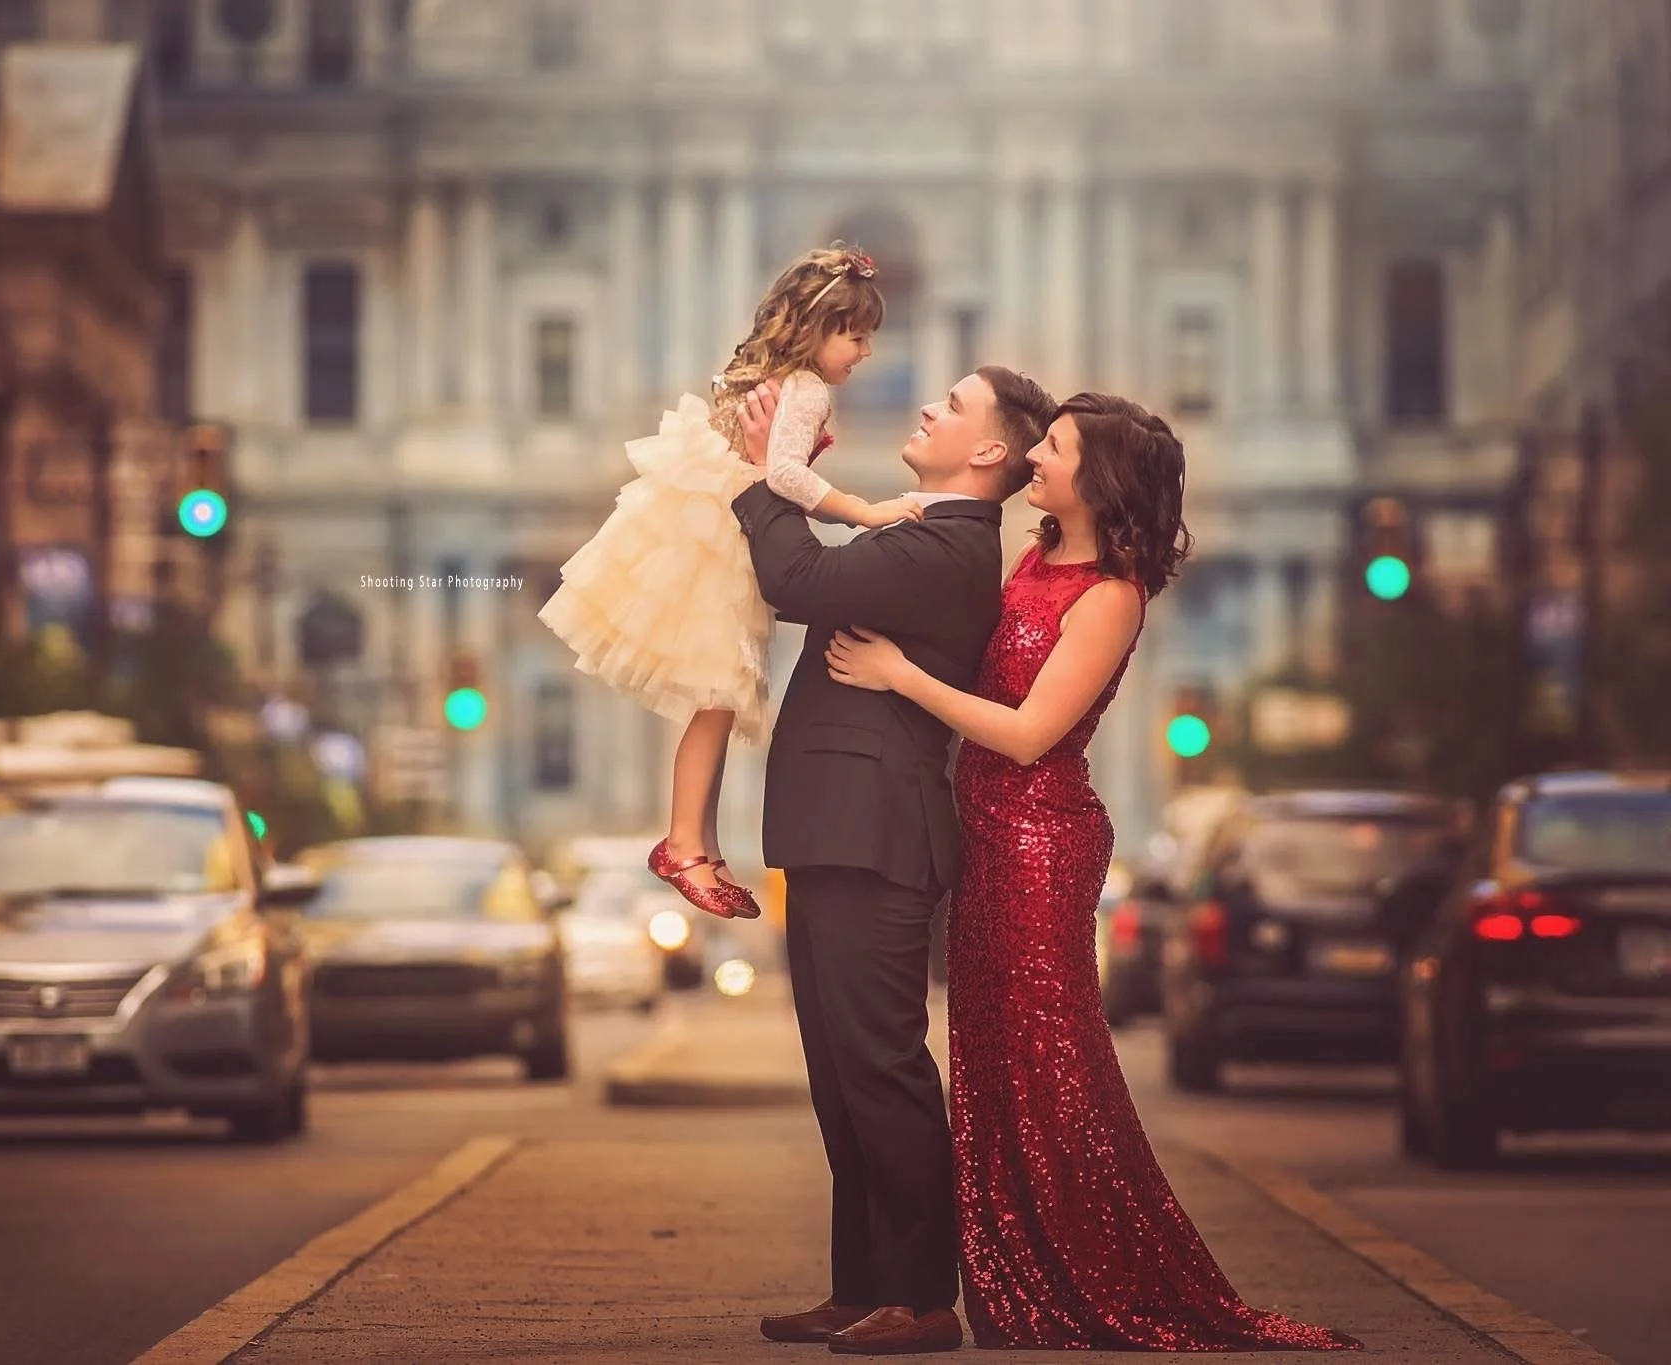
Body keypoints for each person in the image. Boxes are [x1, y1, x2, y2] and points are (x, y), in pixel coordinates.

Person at [824, 393, 1360, 1352]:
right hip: (986, 837)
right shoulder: (1032, 558)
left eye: (1056, 447)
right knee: (993, 1063)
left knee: (1053, 1064)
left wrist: (900, 675)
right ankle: (1012, 1275)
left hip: (1040, 839)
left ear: (1100, 478)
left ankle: (1092, 1272)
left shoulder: (1111, 595)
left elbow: (1032, 736)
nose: (1035, 454)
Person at [731, 366, 1060, 1356]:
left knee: (881, 1069)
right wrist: (792, 482)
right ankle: (860, 1287)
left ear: (990, 451)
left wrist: (763, 473)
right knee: (840, 1076)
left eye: (952, 406)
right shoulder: (922, 531)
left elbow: (798, 582)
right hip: (839, 830)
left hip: (876, 839)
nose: (927, 408)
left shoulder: (948, 545)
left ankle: (919, 1300)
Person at [539, 244, 921, 920]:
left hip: (708, 533)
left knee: (715, 699)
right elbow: (786, 478)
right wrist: (866, 510)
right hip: (723, 543)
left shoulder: (773, 376)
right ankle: (685, 844)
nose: (865, 352)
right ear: (820, 327)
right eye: (856, 335)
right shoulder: (805, 389)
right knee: (716, 698)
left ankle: (701, 846)